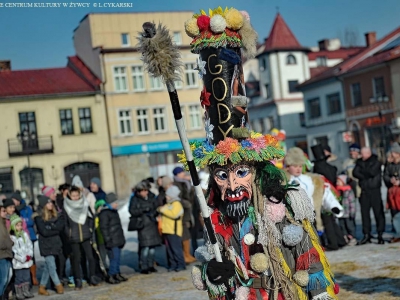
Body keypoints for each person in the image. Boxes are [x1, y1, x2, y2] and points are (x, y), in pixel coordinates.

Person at [137, 9, 338, 298]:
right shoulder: (214, 218)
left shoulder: (279, 207)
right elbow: (214, 272)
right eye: (222, 175)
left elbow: (308, 259)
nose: (231, 185)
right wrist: (213, 276)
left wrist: (318, 292)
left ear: (256, 171)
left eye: (240, 172)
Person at [63, 186, 100, 289]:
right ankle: (78, 280)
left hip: (85, 234)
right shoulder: (66, 206)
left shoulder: (85, 204)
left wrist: (90, 229)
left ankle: (92, 277)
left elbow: (91, 217)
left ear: (80, 195)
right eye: (73, 195)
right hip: (74, 236)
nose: (75, 197)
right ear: (70, 195)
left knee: (90, 257)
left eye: (77, 195)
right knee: (76, 259)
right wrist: (68, 233)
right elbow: (65, 222)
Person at [353, 147, 385, 245]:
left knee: (378, 213)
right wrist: (364, 173)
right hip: (364, 191)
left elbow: (372, 172)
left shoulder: (375, 161)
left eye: (363, 153)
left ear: (368, 153)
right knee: (364, 214)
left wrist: (363, 173)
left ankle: (380, 234)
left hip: (375, 190)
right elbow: (355, 173)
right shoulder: (359, 162)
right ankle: (366, 234)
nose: (361, 155)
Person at [34, 195, 64, 296]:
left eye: (51, 202)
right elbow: (44, 232)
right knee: (52, 266)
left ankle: (42, 287)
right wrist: (54, 230)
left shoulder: (55, 216)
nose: (51, 204)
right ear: (43, 205)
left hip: (55, 243)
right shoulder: (38, 218)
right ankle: (58, 285)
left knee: (47, 267)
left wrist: (52, 229)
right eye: (48, 203)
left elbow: (60, 228)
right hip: (45, 245)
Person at [128, 182, 161, 274]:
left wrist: (153, 213)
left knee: (152, 248)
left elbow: (156, 208)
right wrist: (143, 210)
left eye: (146, 190)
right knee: (145, 247)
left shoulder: (152, 197)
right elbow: (132, 211)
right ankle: (144, 266)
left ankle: (151, 265)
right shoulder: (135, 199)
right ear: (138, 192)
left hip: (152, 224)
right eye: (142, 191)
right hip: (142, 225)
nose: (144, 192)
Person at [96, 193, 127, 284]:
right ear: (110, 203)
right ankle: (111, 275)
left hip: (117, 238)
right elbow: (104, 228)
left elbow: (118, 226)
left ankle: (117, 273)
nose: (117, 204)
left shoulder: (114, 212)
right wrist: (108, 240)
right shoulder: (104, 213)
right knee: (114, 258)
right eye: (115, 203)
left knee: (117, 258)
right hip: (112, 240)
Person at [11, 193, 38, 286]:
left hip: (29, 235)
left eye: (16, 200)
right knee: (19, 258)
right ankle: (22, 282)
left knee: (31, 257)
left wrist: (23, 222)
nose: (15, 202)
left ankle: (33, 277)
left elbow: (30, 221)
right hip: (17, 237)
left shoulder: (26, 208)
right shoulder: (15, 210)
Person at [157, 185, 185, 272]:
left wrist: (162, 210)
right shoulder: (169, 204)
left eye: (168, 195)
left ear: (172, 196)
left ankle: (180, 264)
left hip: (174, 231)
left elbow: (174, 214)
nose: (166, 197)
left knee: (176, 249)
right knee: (169, 250)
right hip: (167, 230)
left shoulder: (177, 204)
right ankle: (173, 264)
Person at [172, 167, 197, 263]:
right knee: (184, 234)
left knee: (188, 234)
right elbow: (178, 197)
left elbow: (190, 194)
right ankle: (185, 255)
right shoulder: (176, 184)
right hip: (182, 211)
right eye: (181, 172)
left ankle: (187, 254)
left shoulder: (184, 182)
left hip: (189, 211)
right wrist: (186, 203)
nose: (183, 173)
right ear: (177, 174)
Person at [9, 214, 34, 299]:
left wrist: (29, 254)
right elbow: (14, 250)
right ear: (13, 226)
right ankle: (18, 292)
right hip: (18, 263)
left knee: (26, 276)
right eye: (17, 225)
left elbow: (29, 245)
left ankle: (26, 291)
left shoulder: (25, 235)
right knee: (19, 278)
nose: (20, 227)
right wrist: (22, 258)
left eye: (20, 225)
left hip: (26, 261)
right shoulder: (12, 237)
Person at [383, 142, 400, 243]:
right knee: (394, 213)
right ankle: (398, 233)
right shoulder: (389, 165)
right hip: (393, 193)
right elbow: (385, 175)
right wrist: (390, 180)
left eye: (393, 152)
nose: (392, 155)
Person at [336, 175, 357, 246]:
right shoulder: (337, 190)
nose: (337, 182)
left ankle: (352, 237)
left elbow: (352, 202)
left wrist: (352, 212)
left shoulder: (348, 190)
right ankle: (345, 237)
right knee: (342, 226)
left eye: (339, 181)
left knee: (349, 226)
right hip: (341, 213)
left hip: (348, 213)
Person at [0, 200, 14, 300]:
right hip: (2, 253)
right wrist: (9, 243)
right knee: (3, 279)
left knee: (7, 278)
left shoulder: (4, 222)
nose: (6, 212)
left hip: (7, 253)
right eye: (3, 211)